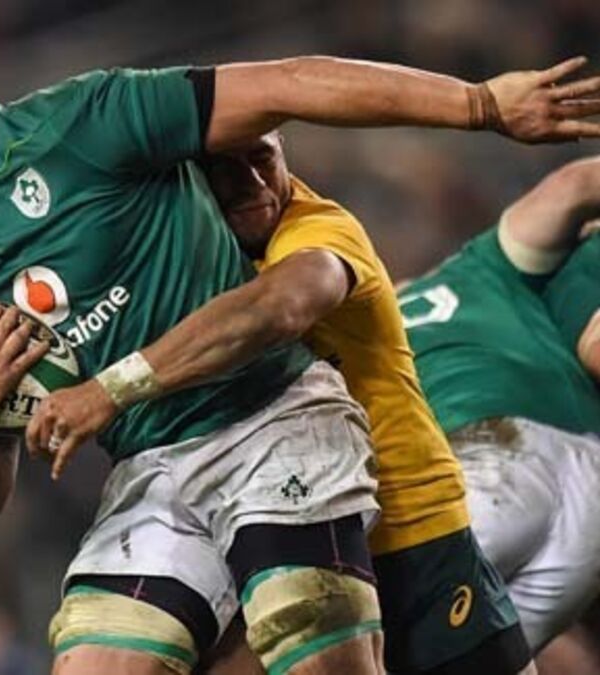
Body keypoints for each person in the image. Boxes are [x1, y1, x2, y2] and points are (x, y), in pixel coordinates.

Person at [0, 31, 600, 675]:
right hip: (153, 470)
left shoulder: (88, 122)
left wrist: (480, 105)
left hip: (271, 424)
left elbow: (290, 85)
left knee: (307, 625)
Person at [113, 131, 529, 674]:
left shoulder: (317, 229)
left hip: (411, 535)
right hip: (283, 542)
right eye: (225, 169)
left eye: (263, 159)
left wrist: (114, 388)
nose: (253, 182)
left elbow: (286, 304)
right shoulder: (187, 267)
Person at [399, 156, 600, 657]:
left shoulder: (344, 343)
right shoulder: (485, 265)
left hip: (483, 456)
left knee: (364, 642)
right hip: (588, 481)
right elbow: (574, 182)